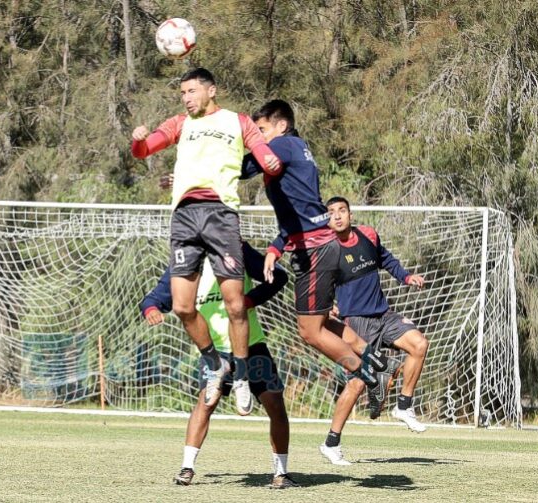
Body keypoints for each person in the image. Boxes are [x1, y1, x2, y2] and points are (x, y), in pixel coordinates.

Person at [131, 68, 282, 415]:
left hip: (220, 214)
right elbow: (143, 151)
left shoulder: (238, 121)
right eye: (182, 92)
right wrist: (140, 139)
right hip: (184, 215)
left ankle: (241, 375)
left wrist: (270, 160)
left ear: (211, 90)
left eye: (192, 91)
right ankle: (215, 364)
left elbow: (264, 154)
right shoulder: (179, 123)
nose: (186, 97)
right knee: (183, 307)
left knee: (235, 304)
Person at [241, 100, 388, 398]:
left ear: (281, 126)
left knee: (309, 331)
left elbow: (245, 167)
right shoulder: (296, 147)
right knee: (321, 322)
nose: (259, 137)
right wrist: (275, 249)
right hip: (318, 244)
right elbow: (299, 212)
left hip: (315, 250)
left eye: (262, 130)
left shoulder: (281, 145)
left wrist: (211, 159)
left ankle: (366, 371)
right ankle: (373, 357)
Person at [140, 241, 297, 489]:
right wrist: (150, 309)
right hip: (215, 351)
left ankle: (281, 473)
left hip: (251, 345)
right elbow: (157, 297)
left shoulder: (237, 249)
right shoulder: (187, 258)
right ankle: (187, 467)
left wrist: (250, 300)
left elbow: (278, 277)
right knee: (206, 402)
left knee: (275, 405)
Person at [319, 196, 430, 465]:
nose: (337, 216)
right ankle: (331, 443)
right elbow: (318, 285)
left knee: (419, 345)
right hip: (357, 325)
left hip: (384, 315)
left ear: (350, 214)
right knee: (357, 383)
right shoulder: (327, 250)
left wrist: (406, 277)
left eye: (342, 211)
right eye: (331, 213)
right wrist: (327, 307)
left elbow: (387, 259)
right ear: (326, 219)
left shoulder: (368, 235)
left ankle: (403, 407)